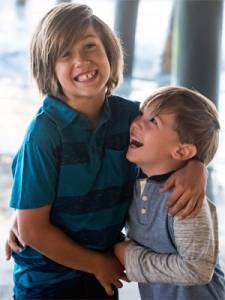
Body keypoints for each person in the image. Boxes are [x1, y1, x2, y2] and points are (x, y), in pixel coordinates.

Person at [6, 3, 207, 300]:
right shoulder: (44, 135)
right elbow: (33, 230)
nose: (82, 60)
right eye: (65, 54)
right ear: (48, 67)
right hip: (47, 280)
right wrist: (98, 264)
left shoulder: (132, 119)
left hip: (102, 273)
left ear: (110, 52)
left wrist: (197, 165)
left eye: (90, 46)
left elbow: (179, 137)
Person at [114, 86, 225, 300]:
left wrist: (130, 258)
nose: (136, 123)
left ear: (182, 151)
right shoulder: (135, 180)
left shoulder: (185, 199)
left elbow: (197, 269)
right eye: (140, 114)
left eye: (153, 121)